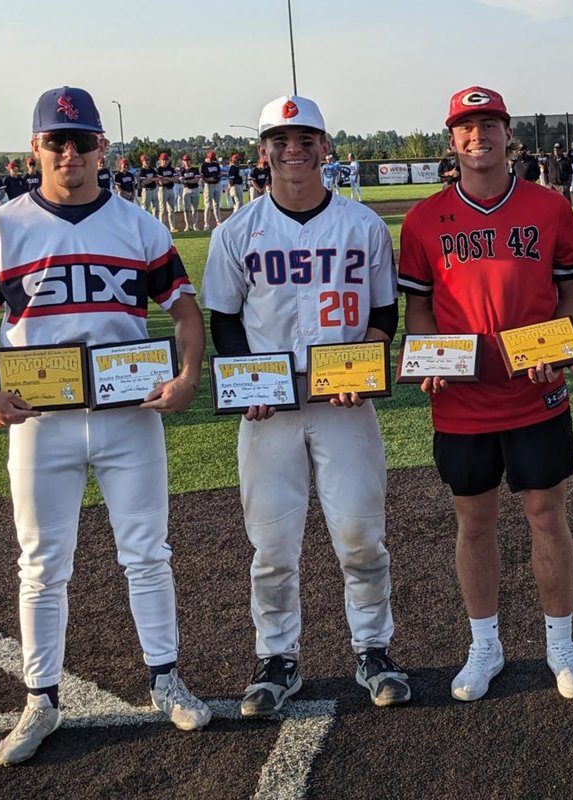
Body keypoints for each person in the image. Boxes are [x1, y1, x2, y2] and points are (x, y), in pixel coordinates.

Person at [0, 85, 211, 766]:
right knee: (40, 564)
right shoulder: (2, 226)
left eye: (81, 141)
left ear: (101, 148)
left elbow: (182, 312)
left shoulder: (139, 225)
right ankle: (40, 697)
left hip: (127, 416)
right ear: (35, 150)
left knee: (147, 553)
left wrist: (186, 377)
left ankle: (166, 678)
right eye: (56, 142)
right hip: (40, 419)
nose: (70, 153)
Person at [201, 93, 410, 717]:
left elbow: (383, 312)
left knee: (360, 535)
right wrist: (248, 384)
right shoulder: (236, 230)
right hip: (271, 412)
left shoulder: (362, 225)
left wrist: (368, 365)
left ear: (325, 148)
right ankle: (277, 658)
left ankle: (374, 648)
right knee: (272, 546)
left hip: (344, 402)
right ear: (263, 152)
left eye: (305, 139)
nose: (294, 150)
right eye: (281, 141)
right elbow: (225, 319)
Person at [398, 85, 573, 702]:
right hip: (461, 401)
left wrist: (559, 345)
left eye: (488, 124)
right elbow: (419, 309)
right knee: (474, 522)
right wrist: (431, 356)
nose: (477, 135)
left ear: (509, 133)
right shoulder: (423, 218)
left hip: (535, 395)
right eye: (465, 126)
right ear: (451, 138)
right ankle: (485, 644)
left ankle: (560, 643)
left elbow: (572, 296)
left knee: (545, 515)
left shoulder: (549, 206)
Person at [179, 154, 202, 230]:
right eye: (185, 160)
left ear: (190, 161)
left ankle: (195, 225)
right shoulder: (182, 170)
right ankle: (187, 225)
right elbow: (181, 181)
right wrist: (188, 181)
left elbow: (196, 180)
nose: (186, 162)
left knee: (195, 208)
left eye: (187, 160)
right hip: (186, 190)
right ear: (183, 161)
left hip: (195, 189)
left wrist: (186, 180)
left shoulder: (195, 169)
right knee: (186, 209)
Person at [156, 151, 178, 232]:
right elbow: (161, 182)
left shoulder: (171, 169)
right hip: (163, 189)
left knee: (172, 209)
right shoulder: (159, 169)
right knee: (162, 210)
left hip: (171, 189)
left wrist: (167, 179)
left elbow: (176, 179)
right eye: (163, 160)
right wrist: (170, 179)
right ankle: (162, 227)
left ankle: (172, 227)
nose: (165, 161)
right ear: (160, 160)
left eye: (166, 159)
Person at [200, 150, 223, 228]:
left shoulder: (216, 165)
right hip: (208, 185)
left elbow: (220, 174)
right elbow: (202, 177)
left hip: (217, 184)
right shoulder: (204, 165)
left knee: (217, 204)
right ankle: (206, 223)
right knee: (208, 205)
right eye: (210, 158)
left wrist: (218, 179)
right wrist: (209, 179)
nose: (211, 159)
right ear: (207, 157)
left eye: (213, 158)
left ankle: (218, 221)